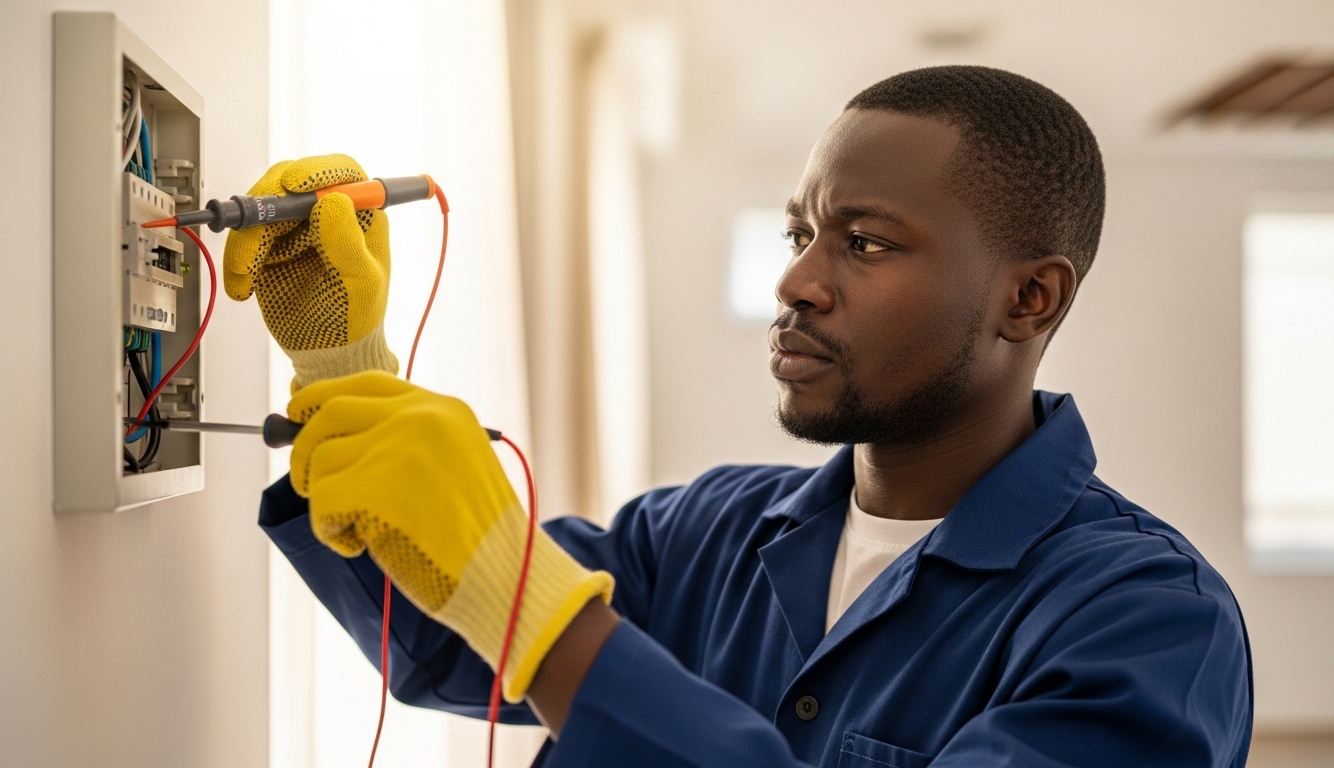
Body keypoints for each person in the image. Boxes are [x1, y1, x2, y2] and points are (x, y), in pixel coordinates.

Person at [236, 66, 1253, 767]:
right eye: (799, 233)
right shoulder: (704, 531)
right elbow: (444, 644)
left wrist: (538, 612)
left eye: (865, 243)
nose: (796, 281)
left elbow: (528, 629)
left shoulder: (1147, 622)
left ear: (1028, 298)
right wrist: (342, 366)